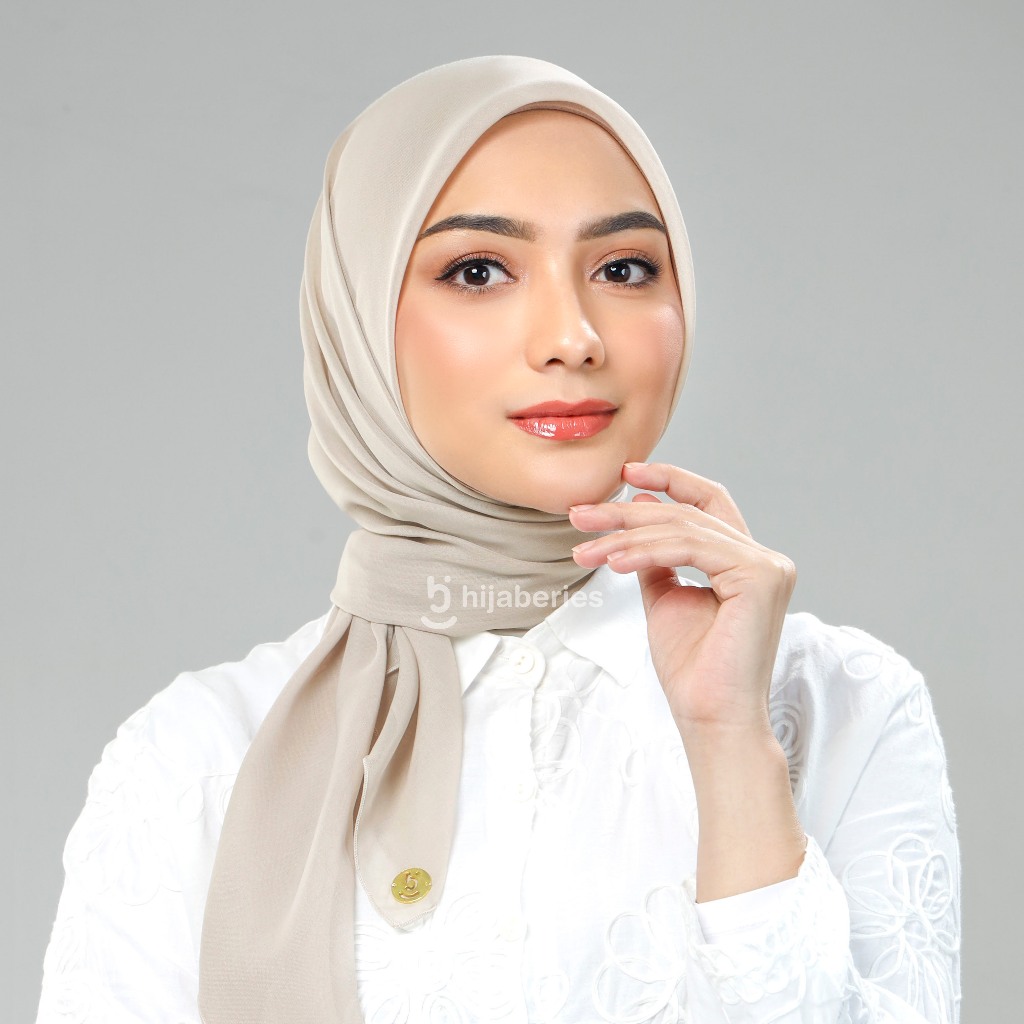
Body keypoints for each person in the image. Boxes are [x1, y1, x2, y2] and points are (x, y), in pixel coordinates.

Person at [35, 55, 961, 1024]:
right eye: (477, 271)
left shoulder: (838, 706)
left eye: (623, 268)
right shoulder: (197, 757)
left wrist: (730, 744)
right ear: (358, 319)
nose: (573, 336)